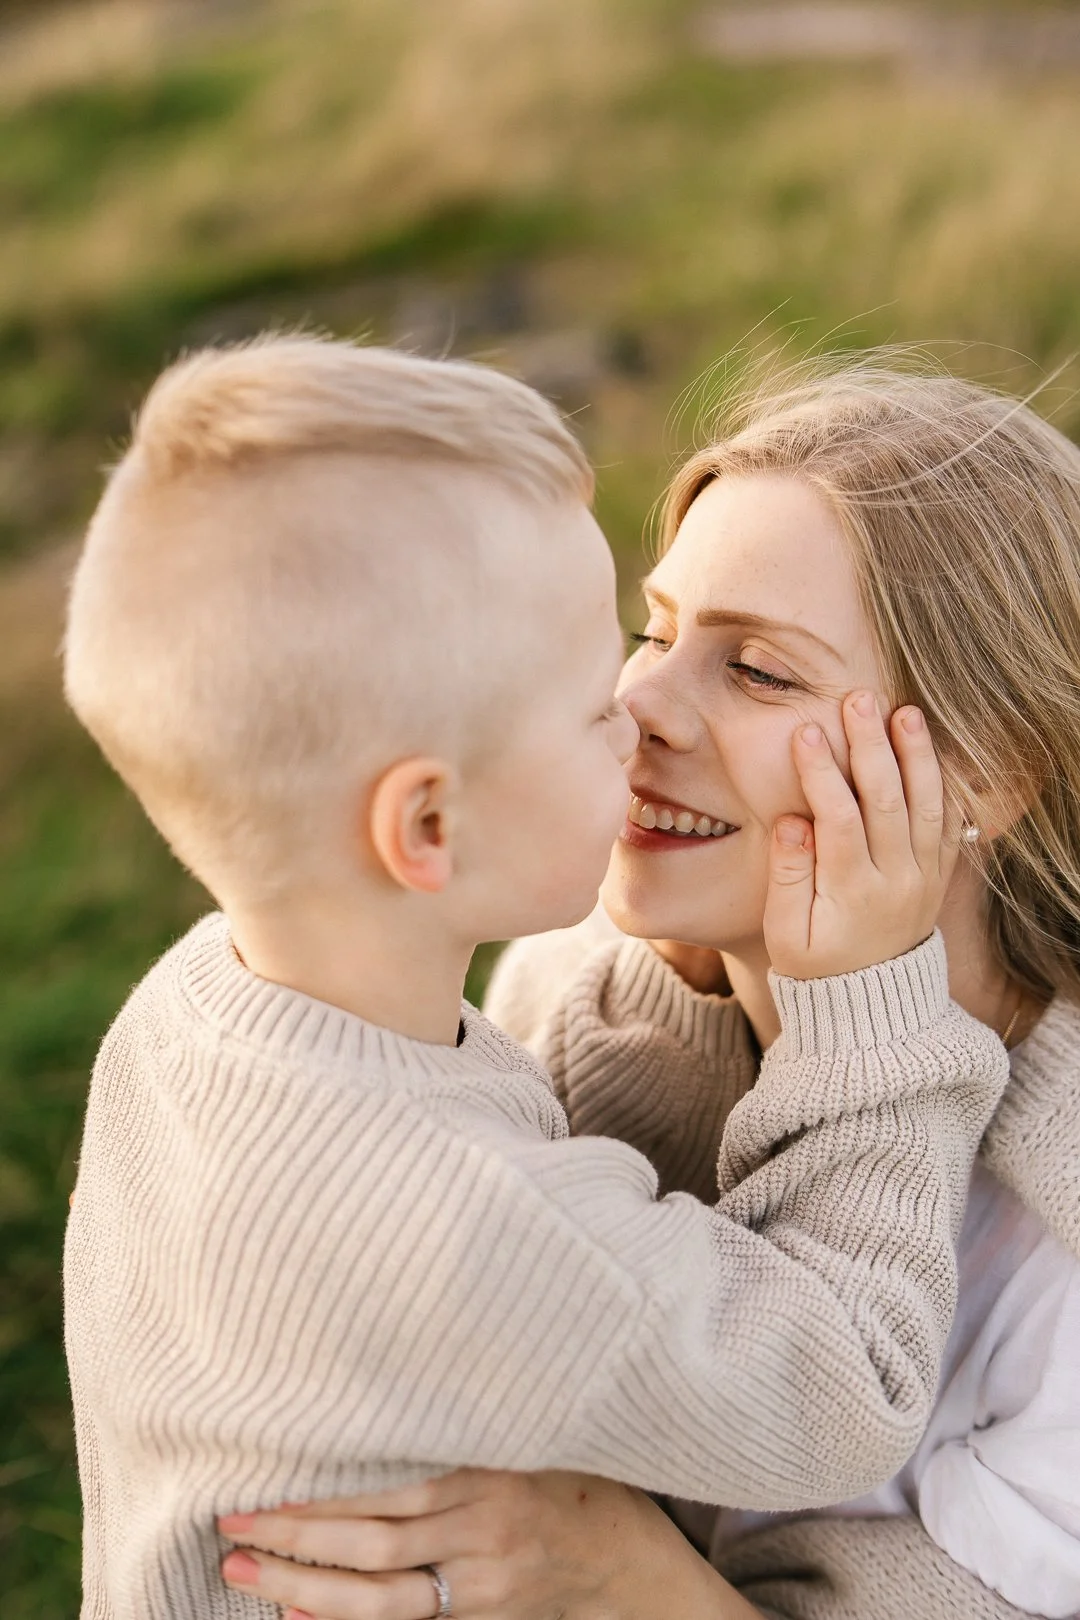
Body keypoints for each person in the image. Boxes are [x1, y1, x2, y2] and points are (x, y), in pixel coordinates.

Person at [62, 335, 1008, 1620]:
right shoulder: (466, 1228)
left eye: (754, 665)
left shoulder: (192, 1017)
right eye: (592, 701)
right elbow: (853, 1388)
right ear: (429, 830)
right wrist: (873, 1007)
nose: (640, 704)